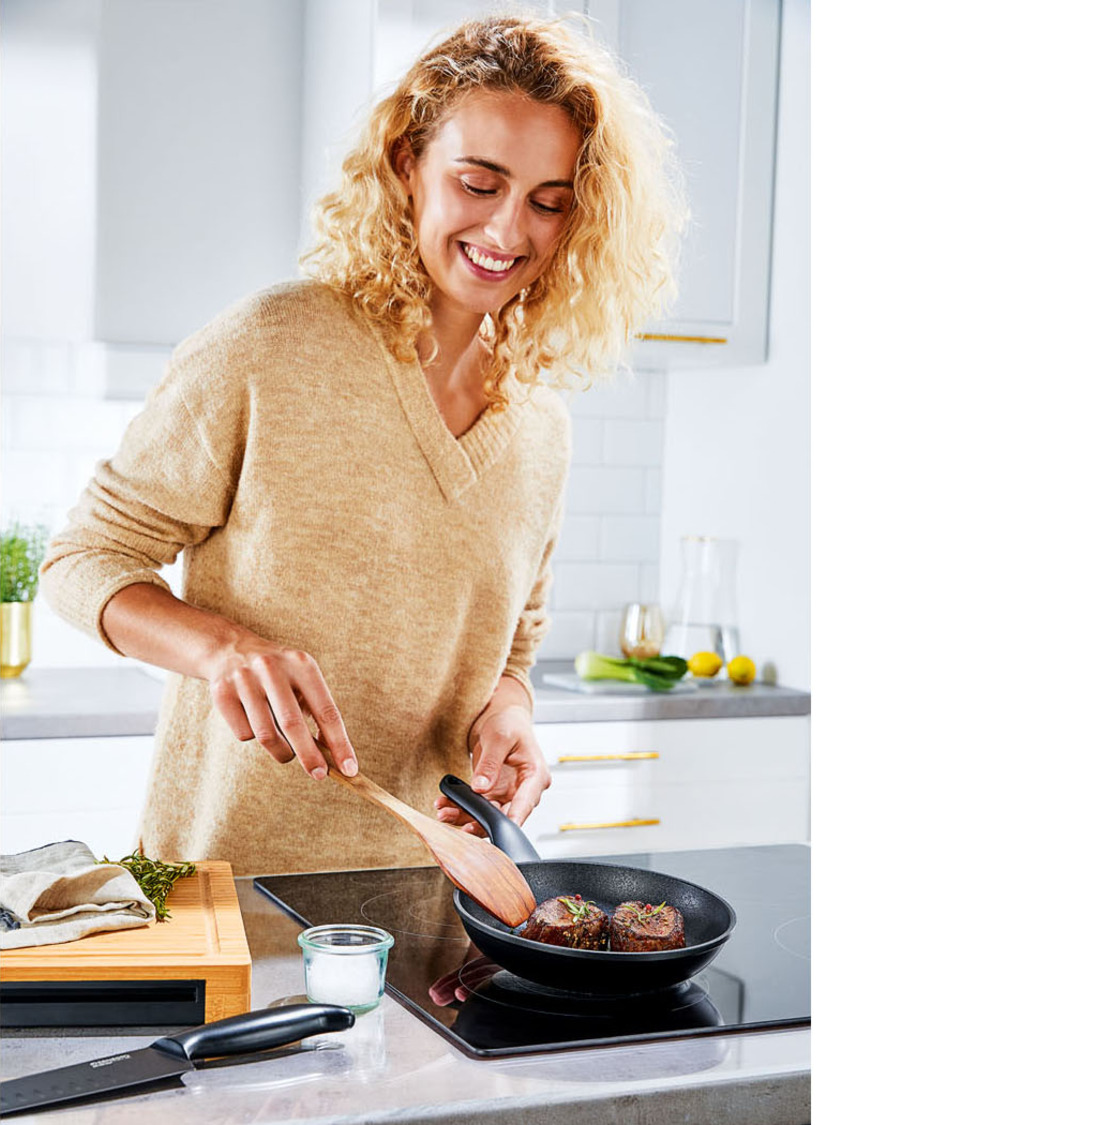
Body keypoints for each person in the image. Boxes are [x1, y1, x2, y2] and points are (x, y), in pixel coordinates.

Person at [39, 13, 686, 876]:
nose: (507, 232)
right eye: (479, 183)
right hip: (234, 897)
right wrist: (223, 648)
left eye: (548, 202)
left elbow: (511, 645)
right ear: (407, 163)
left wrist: (512, 710)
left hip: (434, 907)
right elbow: (83, 559)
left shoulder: (542, 427)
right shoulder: (271, 345)